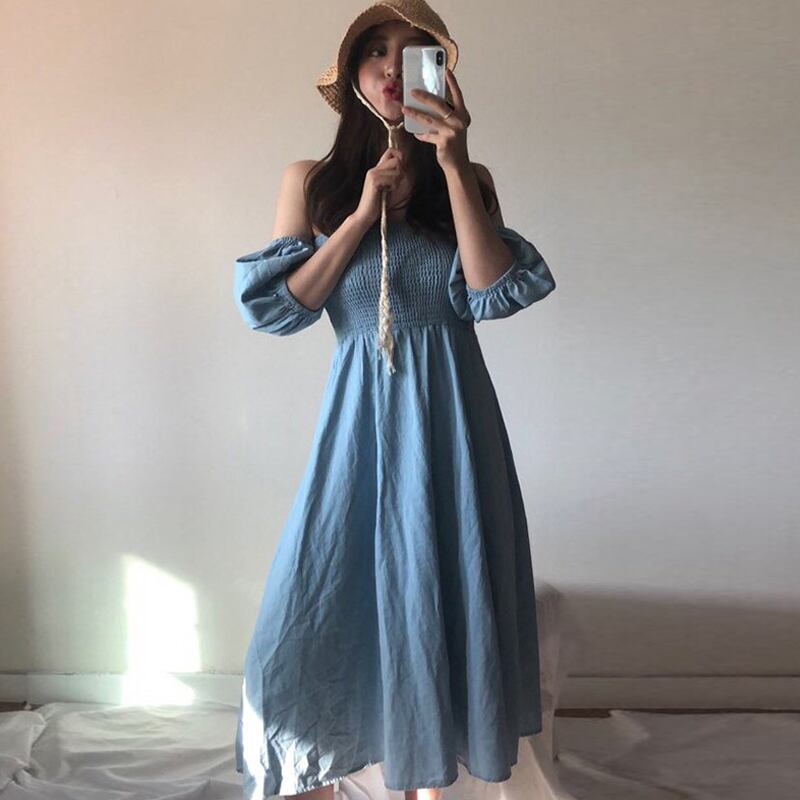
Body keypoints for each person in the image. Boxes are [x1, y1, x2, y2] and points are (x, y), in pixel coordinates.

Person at [232, 1, 557, 799]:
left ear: (438, 74)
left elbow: (494, 294)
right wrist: (357, 219)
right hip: (358, 421)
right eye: (375, 50)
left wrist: (455, 163)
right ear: (350, 74)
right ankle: (310, 774)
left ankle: (426, 784)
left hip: (456, 420)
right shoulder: (310, 182)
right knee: (311, 601)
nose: (389, 67)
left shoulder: (467, 182)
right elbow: (279, 308)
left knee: (442, 593)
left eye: (412, 52)